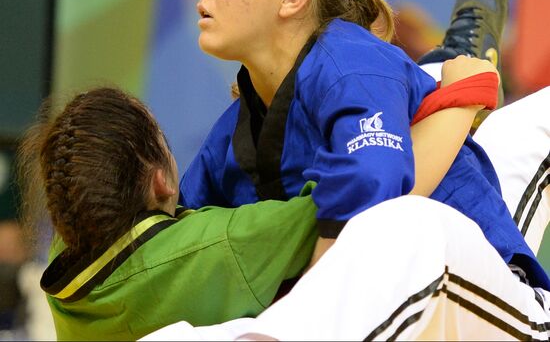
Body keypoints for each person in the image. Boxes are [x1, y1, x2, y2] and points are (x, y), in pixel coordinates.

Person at [182, 0, 549, 289]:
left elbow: (373, 201)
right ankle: (447, 69)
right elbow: (174, 240)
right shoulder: (236, 127)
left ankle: (459, 70)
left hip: (479, 286)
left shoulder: (348, 61)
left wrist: (462, 98)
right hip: (393, 292)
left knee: (525, 129)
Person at [19, 84, 550, 341]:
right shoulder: (221, 246)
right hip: (490, 297)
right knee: (414, 214)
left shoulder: (70, 273)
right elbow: (376, 187)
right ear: (160, 180)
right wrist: (463, 93)